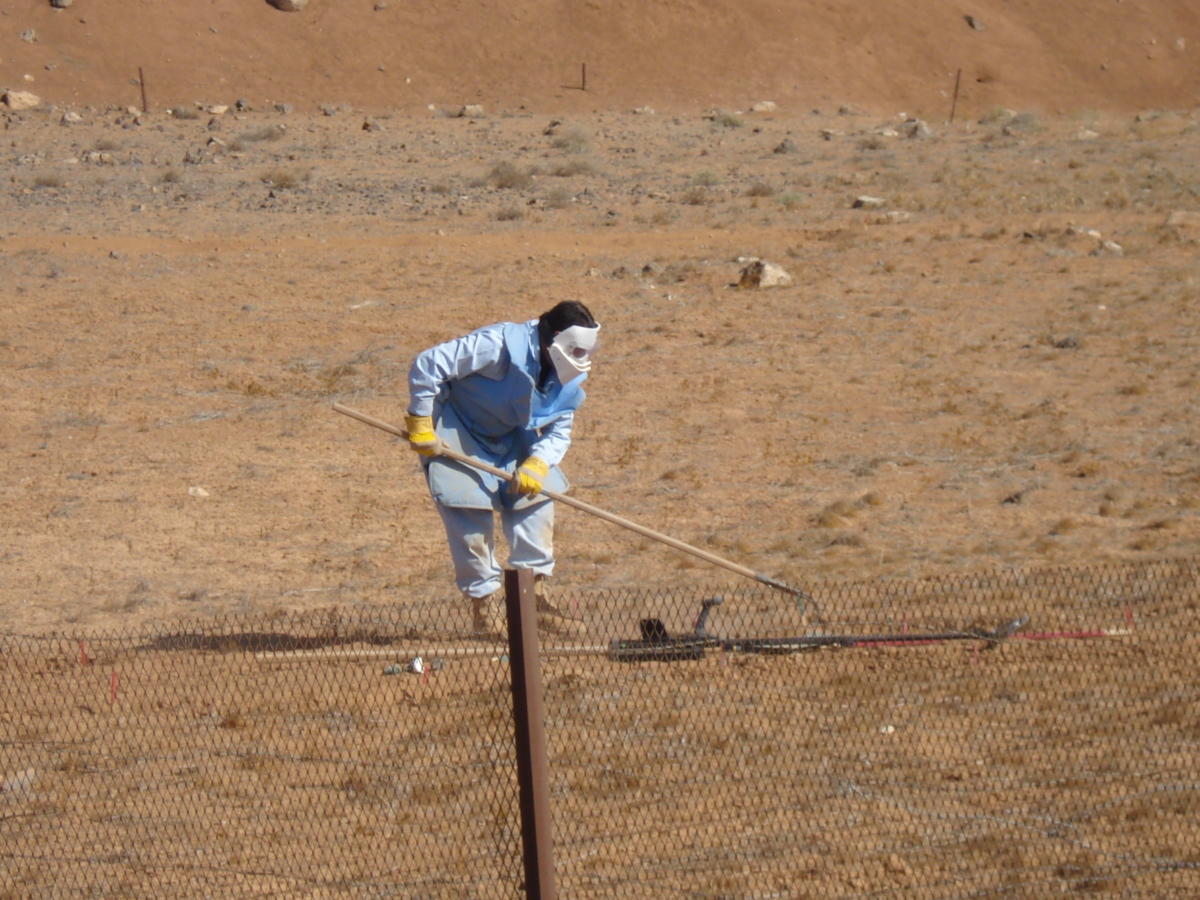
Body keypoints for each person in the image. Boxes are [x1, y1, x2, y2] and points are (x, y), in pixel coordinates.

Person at [403, 300, 600, 638]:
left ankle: (534, 602)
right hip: (456, 430)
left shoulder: (567, 373)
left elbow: (560, 429)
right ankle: (486, 611)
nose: (580, 357)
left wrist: (538, 463)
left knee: (536, 503)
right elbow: (429, 363)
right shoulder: (496, 345)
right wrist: (420, 420)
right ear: (553, 338)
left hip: (512, 434)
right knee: (468, 517)